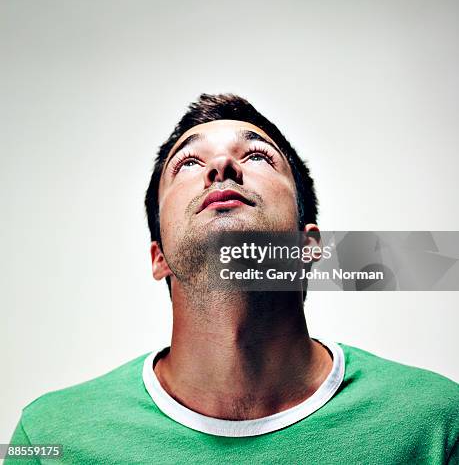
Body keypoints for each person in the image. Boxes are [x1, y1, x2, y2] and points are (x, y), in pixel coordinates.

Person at [7, 94, 459, 464]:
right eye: (187, 163)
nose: (220, 166)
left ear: (309, 248)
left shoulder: (438, 422)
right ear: (159, 256)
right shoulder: (50, 437)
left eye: (258, 155)